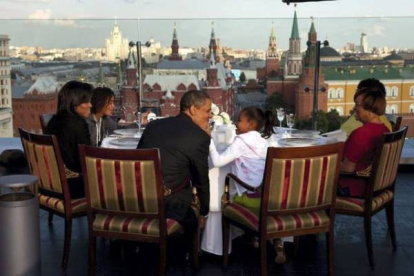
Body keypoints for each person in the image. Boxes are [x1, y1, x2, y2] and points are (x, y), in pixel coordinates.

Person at [209, 107, 288, 264]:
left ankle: (251, 236)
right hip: (269, 197)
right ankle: (276, 241)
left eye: (239, 120)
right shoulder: (263, 141)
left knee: (231, 194)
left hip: (249, 199)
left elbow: (217, 161)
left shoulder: (241, 141)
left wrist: (210, 142)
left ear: (250, 124)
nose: (236, 123)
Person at [137, 90, 211, 250]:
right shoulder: (199, 137)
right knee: (191, 211)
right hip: (166, 203)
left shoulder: (153, 125)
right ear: (192, 110)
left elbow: (138, 159)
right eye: (207, 111)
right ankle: (188, 252)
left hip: (136, 197)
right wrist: (205, 210)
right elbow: (201, 178)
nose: (210, 116)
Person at [338, 85, 390, 197]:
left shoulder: (361, 133)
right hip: (373, 187)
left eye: (357, 104)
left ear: (370, 109)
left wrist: (327, 164)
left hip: (350, 187)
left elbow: (348, 168)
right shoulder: (384, 129)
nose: (354, 108)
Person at [46, 80, 93, 198]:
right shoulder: (78, 124)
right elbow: (86, 159)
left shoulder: (53, 121)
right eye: (86, 101)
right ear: (75, 103)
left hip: (52, 184)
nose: (90, 105)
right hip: (72, 187)